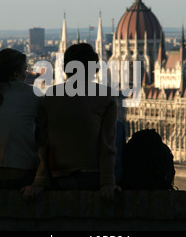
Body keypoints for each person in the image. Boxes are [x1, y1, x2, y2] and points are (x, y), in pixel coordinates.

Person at [22, 43, 119, 199]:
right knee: (118, 128)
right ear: (94, 69)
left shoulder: (50, 96)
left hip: (58, 177)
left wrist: (40, 181)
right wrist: (107, 182)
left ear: (65, 69)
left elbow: (43, 143)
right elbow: (108, 144)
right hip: (92, 177)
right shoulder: (106, 95)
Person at [0, 48, 41, 190]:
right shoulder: (34, 95)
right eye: (25, 70)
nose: (26, 74)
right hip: (23, 177)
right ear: (17, 74)